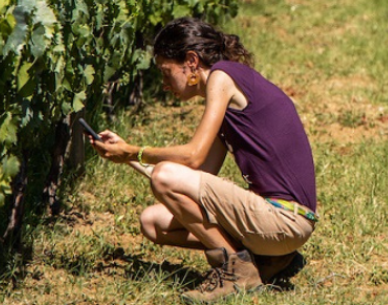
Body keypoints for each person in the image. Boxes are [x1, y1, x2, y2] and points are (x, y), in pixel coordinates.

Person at [91, 17, 317, 303]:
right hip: (280, 226)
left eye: (166, 72)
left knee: (165, 177)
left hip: (284, 219)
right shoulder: (229, 93)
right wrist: (126, 157)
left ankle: (236, 270)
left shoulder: (223, 77)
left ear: (191, 61)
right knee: (152, 221)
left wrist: (134, 150)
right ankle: (267, 261)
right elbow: (195, 173)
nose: (164, 84)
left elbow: (191, 156)